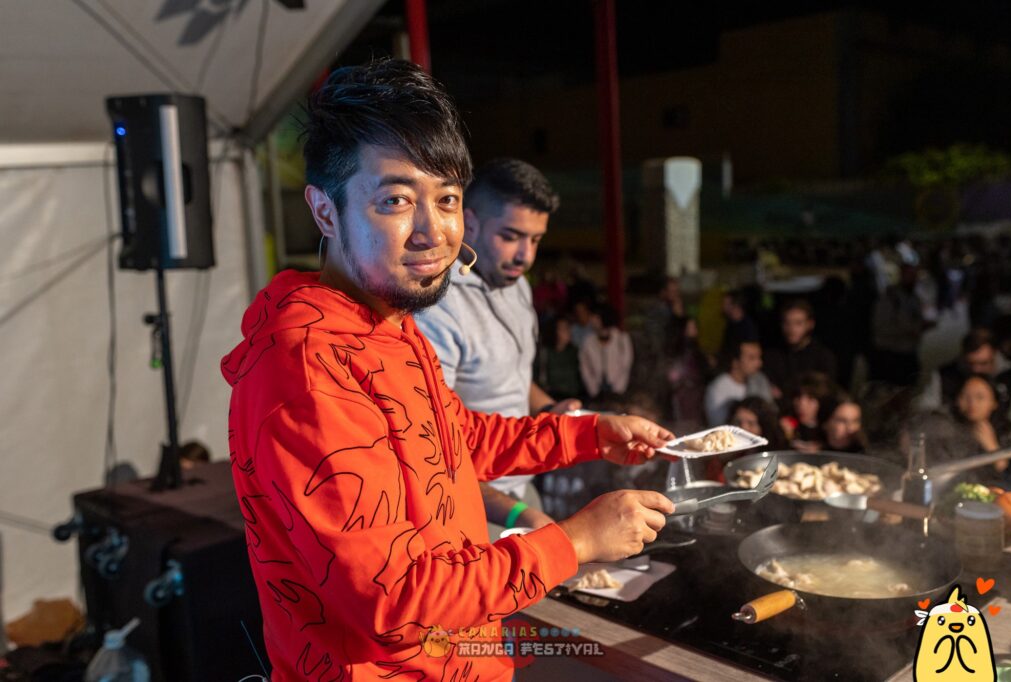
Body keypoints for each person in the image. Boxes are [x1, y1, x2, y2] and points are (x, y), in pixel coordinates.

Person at [221, 59, 676, 681]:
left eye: (447, 199)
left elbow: (454, 441)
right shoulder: (307, 369)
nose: (432, 232)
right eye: (396, 200)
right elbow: (392, 601)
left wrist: (589, 433)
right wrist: (576, 541)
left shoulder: (389, 322)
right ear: (325, 212)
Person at [415, 157, 578, 538]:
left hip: (521, 488)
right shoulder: (436, 306)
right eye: (510, 236)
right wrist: (518, 514)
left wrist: (549, 410)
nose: (526, 256)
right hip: (468, 506)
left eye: (535, 239)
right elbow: (432, 447)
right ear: (468, 222)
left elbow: (511, 376)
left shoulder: (515, 284)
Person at [762, 299, 837, 399]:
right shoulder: (772, 355)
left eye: (798, 323)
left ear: (810, 324)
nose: (791, 329)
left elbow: (826, 390)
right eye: (787, 323)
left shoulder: (823, 357)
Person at [917, 328, 999, 412]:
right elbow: (926, 409)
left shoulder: (1004, 375)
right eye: (970, 363)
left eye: (983, 363)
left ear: (995, 355)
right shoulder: (945, 375)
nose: (975, 369)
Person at [704, 341, 773, 426]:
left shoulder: (760, 380)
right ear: (735, 362)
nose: (759, 363)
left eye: (759, 357)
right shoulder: (717, 389)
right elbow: (719, 425)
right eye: (752, 358)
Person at [579, 305, 634, 401]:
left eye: (595, 317)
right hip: (596, 392)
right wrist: (593, 389)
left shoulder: (621, 338)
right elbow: (584, 367)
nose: (591, 320)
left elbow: (626, 364)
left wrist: (618, 388)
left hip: (618, 391)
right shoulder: (588, 341)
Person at [779, 371, 835, 452]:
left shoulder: (829, 427)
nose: (801, 404)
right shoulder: (789, 422)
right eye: (798, 397)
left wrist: (821, 449)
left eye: (810, 398)